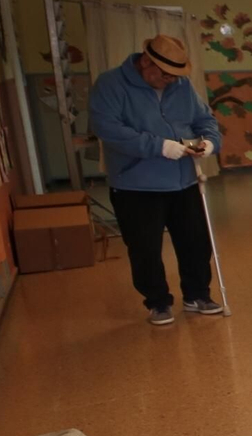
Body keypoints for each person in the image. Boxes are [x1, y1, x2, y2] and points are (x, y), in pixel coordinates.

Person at [88, 35, 223, 325]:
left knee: (196, 243)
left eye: (176, 76)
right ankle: (158, 302)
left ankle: (197, 294)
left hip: (183, 181)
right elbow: (107, 128)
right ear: (145, 61)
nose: (170, 81)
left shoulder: (181, 85)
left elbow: (205, 120)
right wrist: (160, 146)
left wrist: (210, 143)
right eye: (164, 75)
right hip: (135, 184)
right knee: (145, 248)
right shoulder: (111, 84)